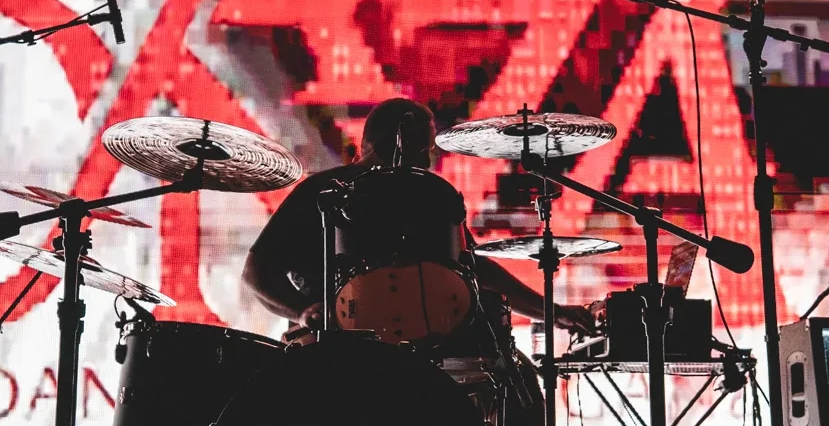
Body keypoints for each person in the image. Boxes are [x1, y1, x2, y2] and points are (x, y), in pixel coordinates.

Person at [243, 97, 592, 340]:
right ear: (388, 145)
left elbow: (471, 268)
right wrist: (303, 312)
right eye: (423, 150)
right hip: (335, 349)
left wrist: (551, 311)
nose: (428, 162)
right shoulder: (321, 192)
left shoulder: (424, 199)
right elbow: (256, 272)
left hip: (419, 348)